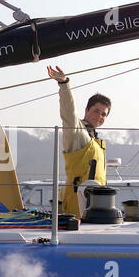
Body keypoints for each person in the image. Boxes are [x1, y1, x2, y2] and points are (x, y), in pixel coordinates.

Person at [47, 66, 111, 218]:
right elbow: (68, 113)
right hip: (77, 204)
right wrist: (64, 84)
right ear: (86, 110)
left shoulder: (97, 142)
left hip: (95, 204)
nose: (100, 116)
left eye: (104, 114)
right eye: (96, 111)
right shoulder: (76, 132)